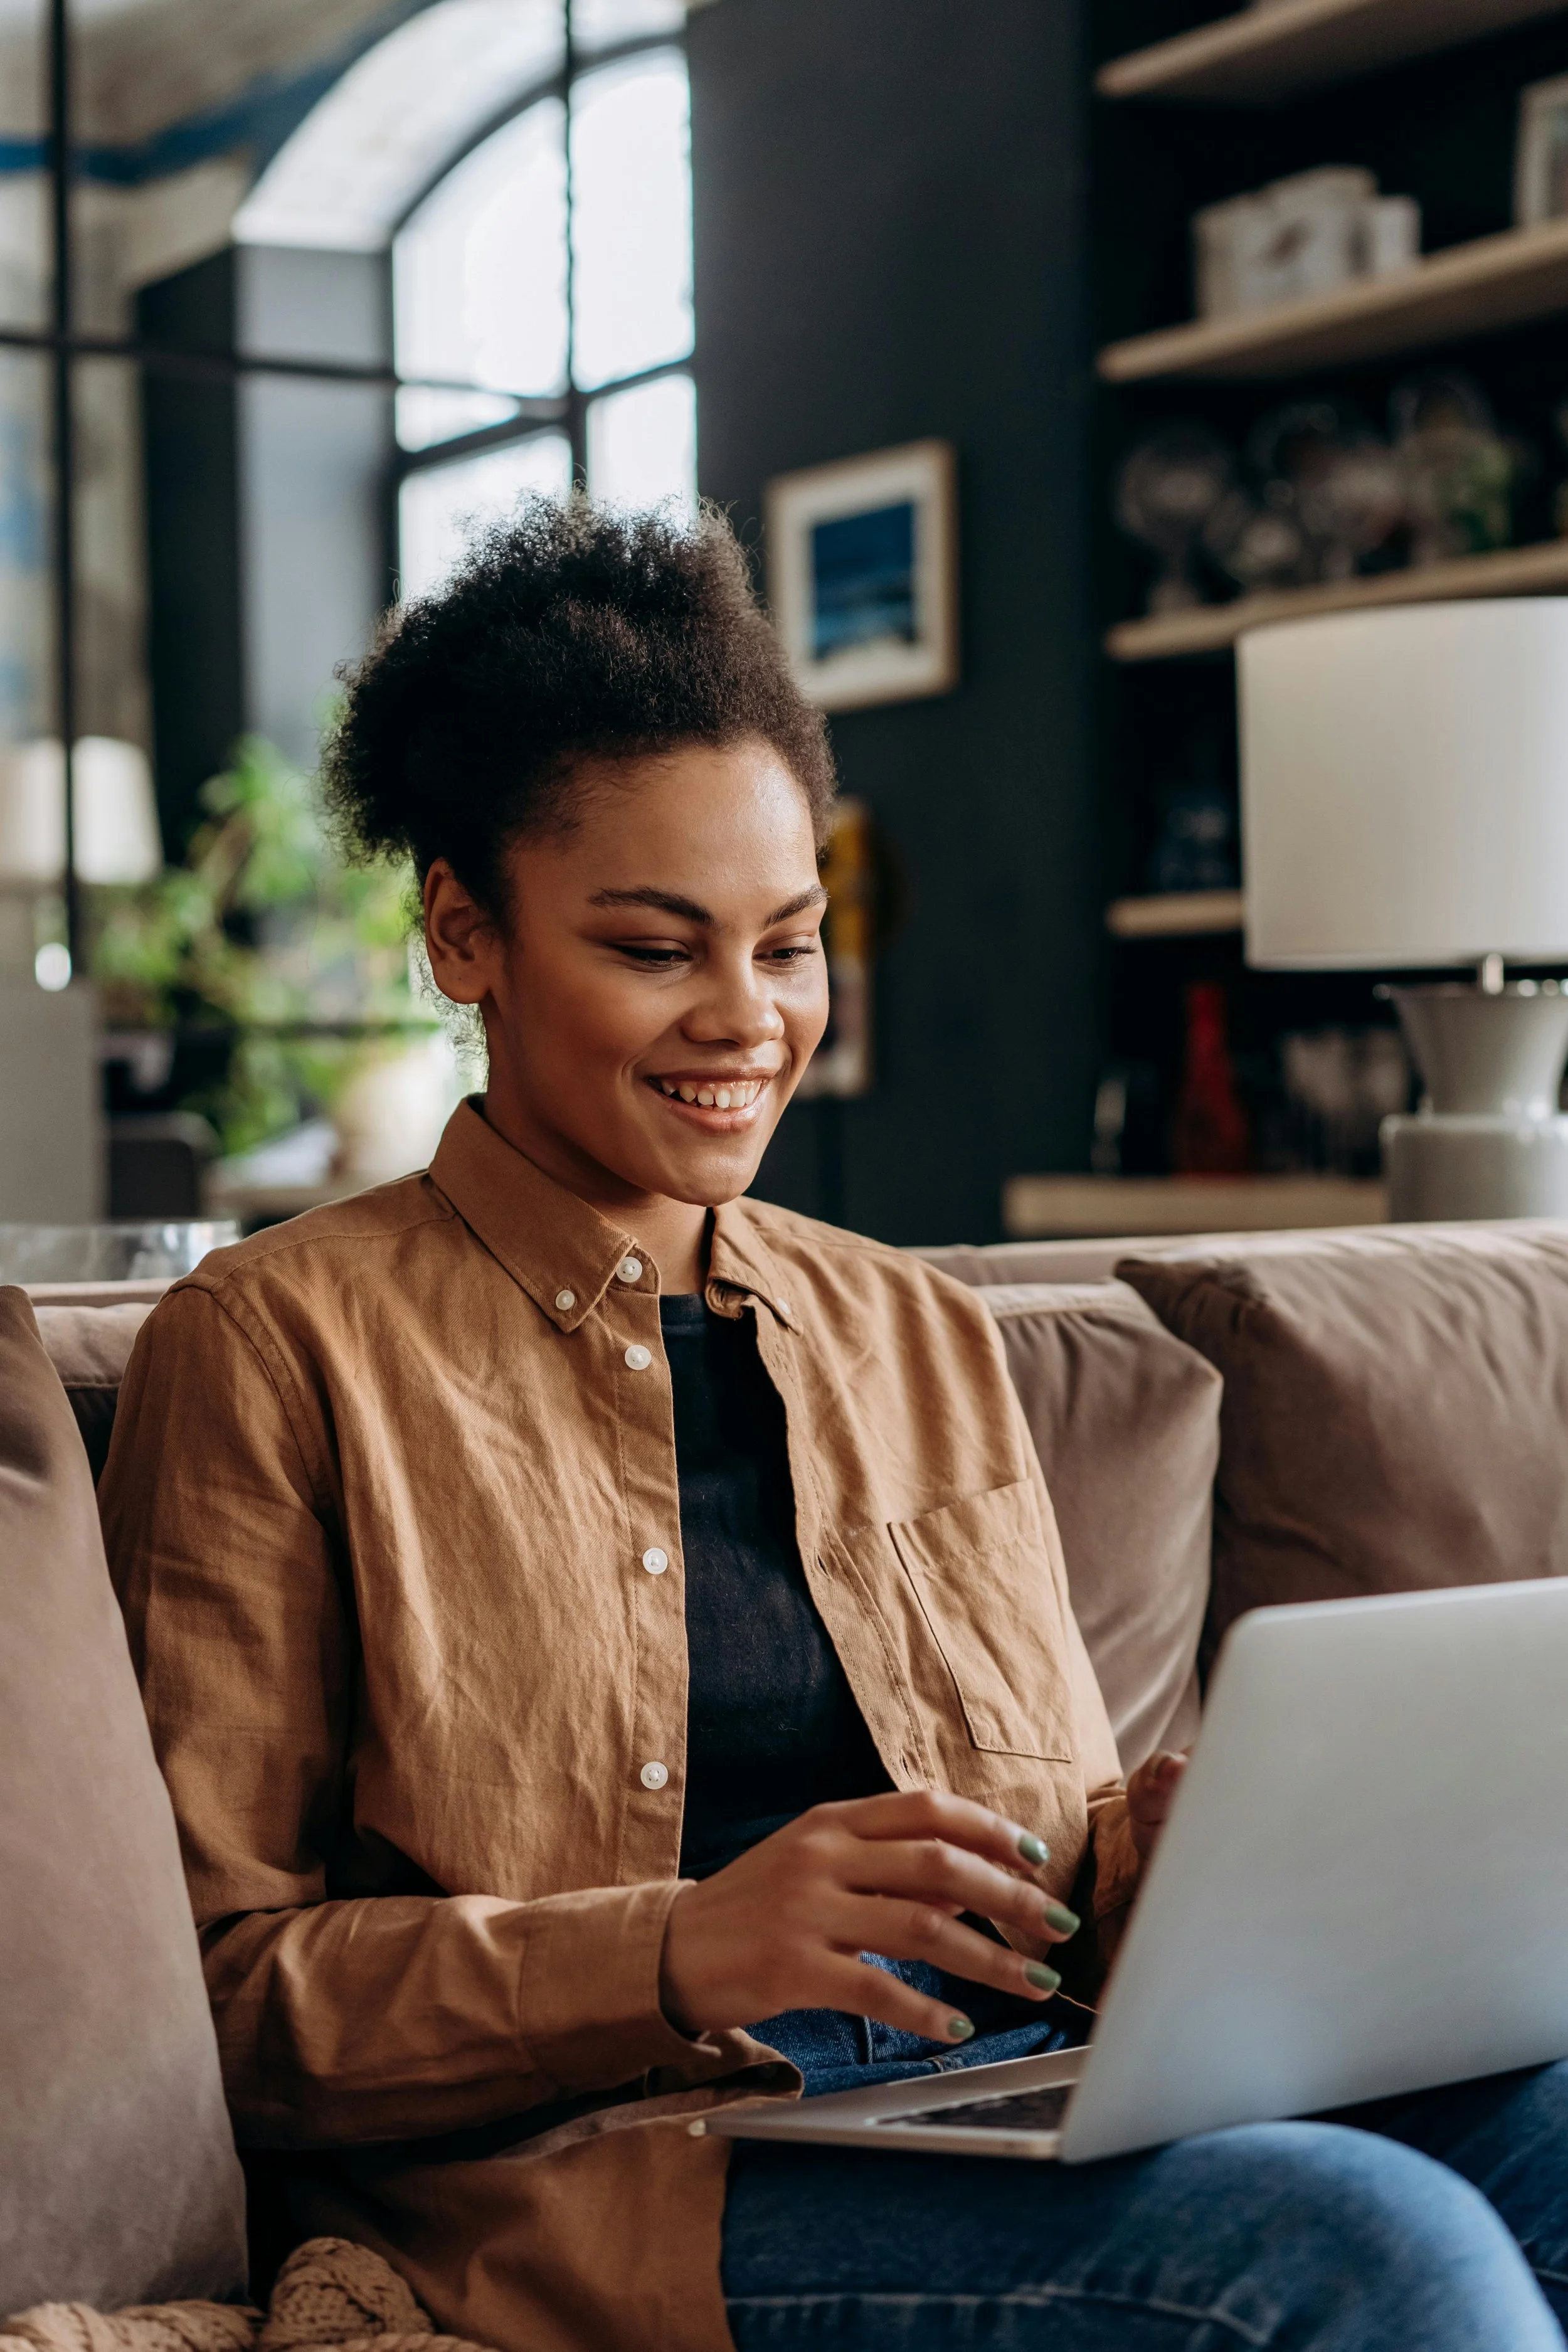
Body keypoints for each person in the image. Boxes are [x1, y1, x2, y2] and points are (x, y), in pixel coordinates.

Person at [101, 501, 1568, 2352]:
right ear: (463, 930)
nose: (747, 1018)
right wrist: (669, 1944)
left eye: (787, 945)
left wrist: (1155, 1872)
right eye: (656, 947)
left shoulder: (919, 1330)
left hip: (1014, 2086)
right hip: (626, 2162)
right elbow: (223, 2004)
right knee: (1347, 2253)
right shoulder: (275, 1345)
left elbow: (1046, 1848)